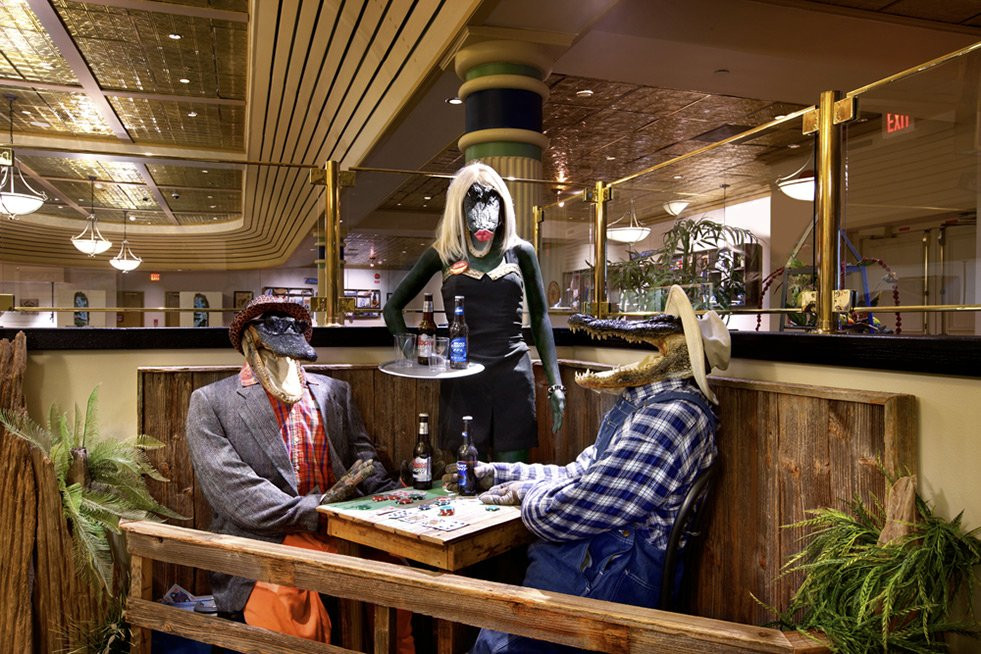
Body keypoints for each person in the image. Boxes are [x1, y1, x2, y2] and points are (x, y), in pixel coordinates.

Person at [450, 285, 730, 654]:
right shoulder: (647, 405)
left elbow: (582, 502)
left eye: (665, 339)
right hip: (595, 561)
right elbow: (580, 472)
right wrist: (500, 473)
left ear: (682, 354)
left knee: (494, 647)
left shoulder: (673, 415)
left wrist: (525, 496)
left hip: (614, 576)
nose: (652, 343)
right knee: (489, 635)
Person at [186, 295, 413, 651]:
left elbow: (365, 464)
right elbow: (237, 495)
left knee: (400, 585)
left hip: (344, 532)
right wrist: (317, 511)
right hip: (266, 540)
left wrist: (407, 489)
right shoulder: (212, 402)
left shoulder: (334, 392)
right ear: (249, 337)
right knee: (288, 619)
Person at [383, 162, 565, 462]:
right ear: (460, 207)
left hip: (512, 375)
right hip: (462, 378)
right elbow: (392, 309)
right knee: (465, 476)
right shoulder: (444, 253)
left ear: (502, 206)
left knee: (512, 475)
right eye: (473, 202)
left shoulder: (520, 251)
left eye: (491, 201)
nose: (483, 213)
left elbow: (540, 317)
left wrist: (556, 384)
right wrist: (414, 354)